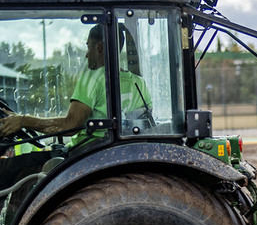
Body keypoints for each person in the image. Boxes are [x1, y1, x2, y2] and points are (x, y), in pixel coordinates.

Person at [0, 24, 150, 187]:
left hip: (85, 155)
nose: (86, 54)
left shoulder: (93, 78)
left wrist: (23, 121)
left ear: (99, 47)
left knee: (9, 169)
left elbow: (70, 126)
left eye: (88, 46)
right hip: (114, 153)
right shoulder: (139, 83)